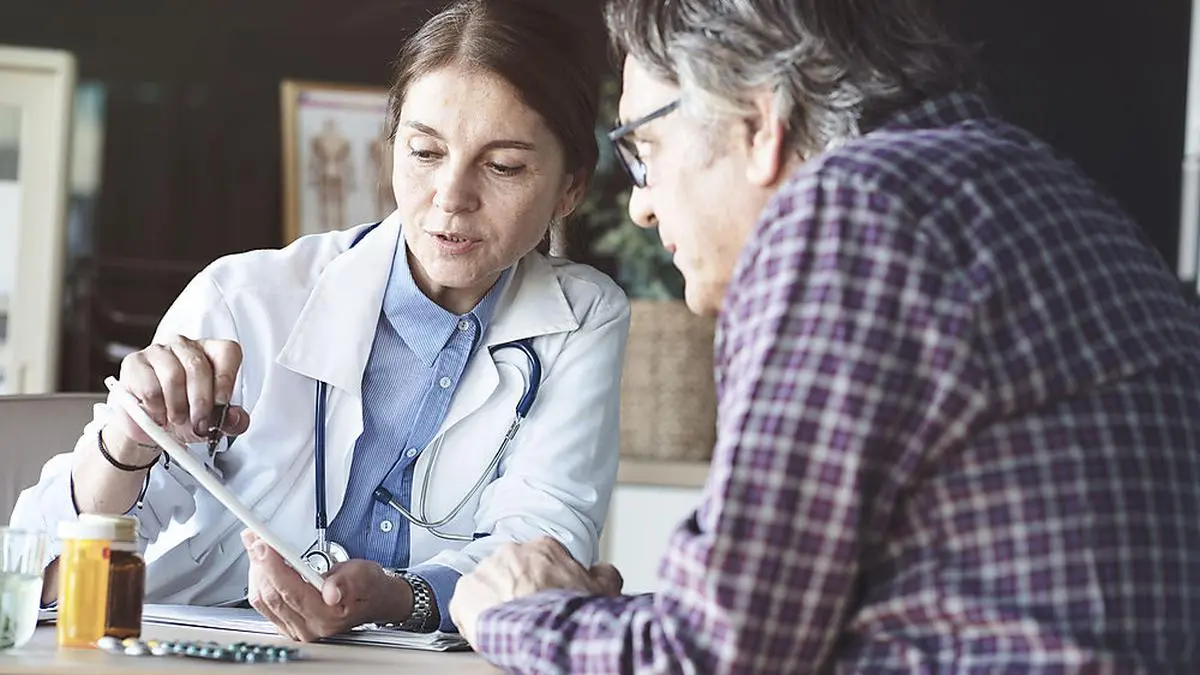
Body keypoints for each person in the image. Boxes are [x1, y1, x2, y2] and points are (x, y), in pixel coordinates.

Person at [448, 0, 1200, 672]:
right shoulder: (1046, 191)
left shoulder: (852, 210)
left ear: (757, 120)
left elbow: (712, 655)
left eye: (645, 148)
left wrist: (516, 611)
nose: (641, 205)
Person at [11, 0, 629, 642]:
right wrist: (126, 446)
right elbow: (39, 570)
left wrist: (399, 597)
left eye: (503, 166)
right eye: (423, 152)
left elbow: (540, 556)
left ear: (570, 189)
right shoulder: (245, 298)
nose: (450, 196)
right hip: (201, 649)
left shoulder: (582, 318)